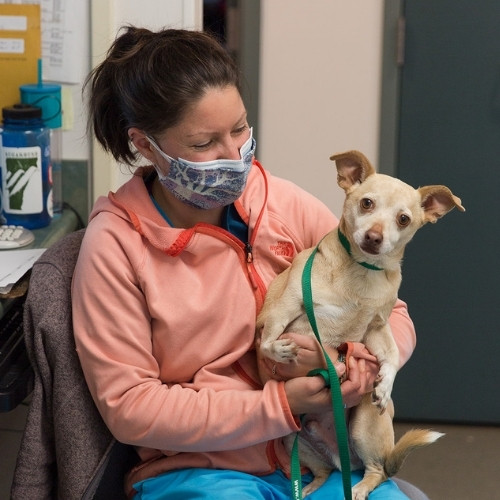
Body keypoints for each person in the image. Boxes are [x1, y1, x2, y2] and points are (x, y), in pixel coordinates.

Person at [72, 26, 421, 499]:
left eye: (239, 129)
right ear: (147, 144)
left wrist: (358, 367)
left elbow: (390, 311)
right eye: (203, 144)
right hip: (203, 470)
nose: (234, 156)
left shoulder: (279, 203)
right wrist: (278, 406)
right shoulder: (116, 247)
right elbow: (132, 409)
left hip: (319, 454)